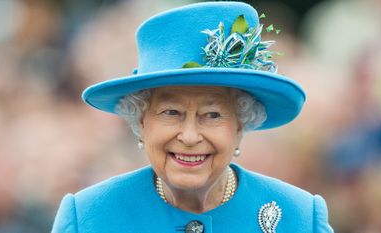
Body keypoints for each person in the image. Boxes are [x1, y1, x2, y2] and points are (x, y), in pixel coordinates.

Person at [52, 2, 333, 233]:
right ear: (140, 122)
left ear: (240, 125)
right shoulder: (89, 216)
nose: (189, 136)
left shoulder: (299, 217)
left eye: (211, 114)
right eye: (171, 112)